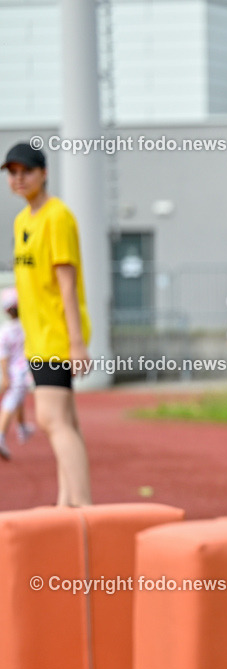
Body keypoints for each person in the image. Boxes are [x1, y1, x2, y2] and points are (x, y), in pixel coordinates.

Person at [4, 142, 92, 506]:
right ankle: (66, 504)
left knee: (50, 420)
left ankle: (83, 508)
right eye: (12, 172)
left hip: (56, 336)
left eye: (26, 170)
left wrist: (76, 342)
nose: (19, 178)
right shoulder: (23, 220)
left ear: (44, 173)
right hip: (36, 338)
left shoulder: (57, 216)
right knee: (65, 422)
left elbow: (67, 285)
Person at [0, 287, 34, 460]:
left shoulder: (5, 331)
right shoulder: (27, 326)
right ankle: (1, 435)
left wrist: (5, 375)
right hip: (22, 372)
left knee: (17, 398)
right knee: (10, 401)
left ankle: (22, 428)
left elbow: (4, 357)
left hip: (13, 372)